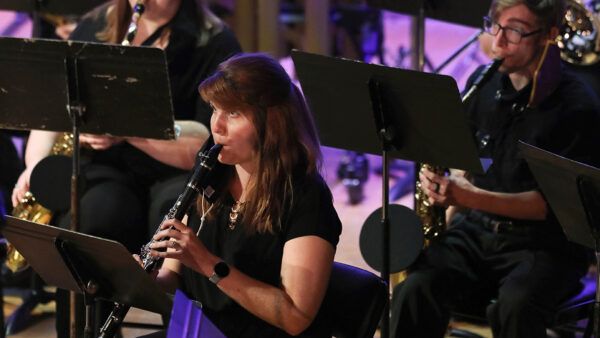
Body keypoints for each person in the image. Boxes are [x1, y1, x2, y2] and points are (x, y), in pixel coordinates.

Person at [10, 0, 241, 335]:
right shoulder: (93, 27)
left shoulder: (215, 42)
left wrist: (126, 130)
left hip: (176, 172)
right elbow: (57, 106)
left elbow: (208, 139)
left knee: (174, 223)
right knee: (94, 215)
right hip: (105, 168)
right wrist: (35, 167)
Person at [390, 0, 600, 337]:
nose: (498, 42)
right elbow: (473, 163)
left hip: (544, 246)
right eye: (495, 26)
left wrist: (469, 196)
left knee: (515, 307)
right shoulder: (483, 85)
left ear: (549, 36)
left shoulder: (576, 107)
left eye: (515, 31)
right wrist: (448, 185)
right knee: (415, 288)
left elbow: (550, 208)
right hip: (477, 233)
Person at [143, 53, 343, 337]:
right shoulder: (211, 168)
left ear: (273, 123)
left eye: (233, 113)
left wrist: (205, 262)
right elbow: (172, 276)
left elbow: (295, 318)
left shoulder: (306, 196)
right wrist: (143, 279)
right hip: (200, 331)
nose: (217, 126)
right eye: (214, 109)